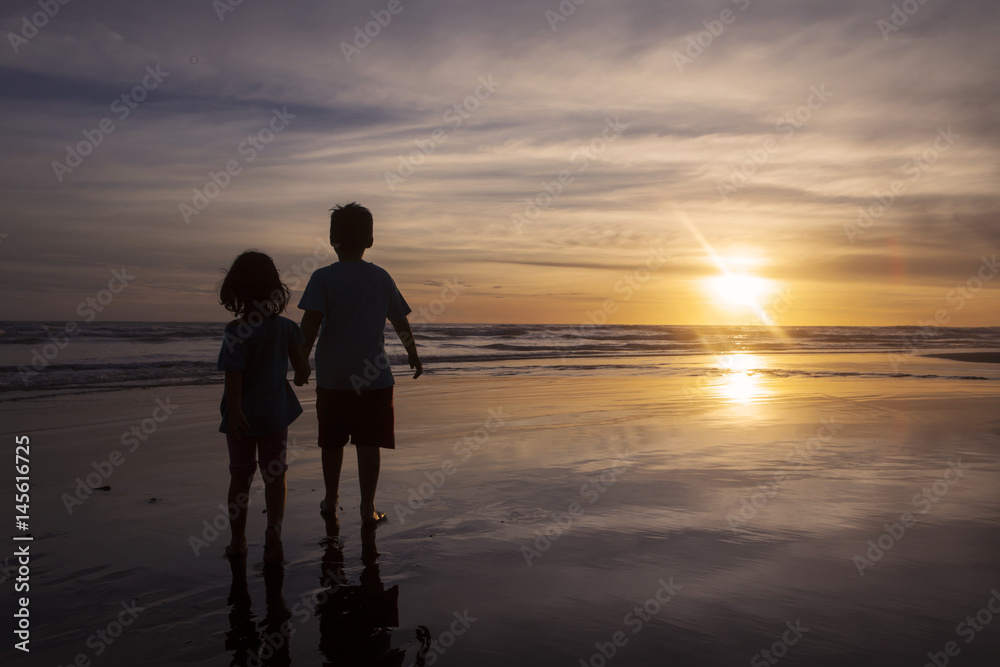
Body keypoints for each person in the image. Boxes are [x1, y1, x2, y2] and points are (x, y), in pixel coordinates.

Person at [298, 202, 422, 526]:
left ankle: (330, 499)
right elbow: (400, 321)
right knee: (369, 443)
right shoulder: (380, 277)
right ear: (370, 240)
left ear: (331, 239)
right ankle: (367, 507)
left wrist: (299, 361)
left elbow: (309, 324)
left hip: (333, 378)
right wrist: (412, 353)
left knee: (332, 442)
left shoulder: (322, 277)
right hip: (374, 378)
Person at [218, 250, 311, 564]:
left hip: (241, 416)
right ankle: (274, 528)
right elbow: (301, 366)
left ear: (237, 290)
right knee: (275, 473)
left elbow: (234, 375)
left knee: (240, 475)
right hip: (275, 412)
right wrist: (300, 375)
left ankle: (238, 540)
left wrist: (235, 410)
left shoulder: (236, 331)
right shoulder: (285, 328)